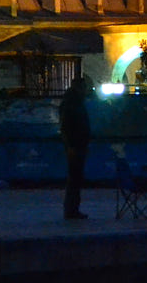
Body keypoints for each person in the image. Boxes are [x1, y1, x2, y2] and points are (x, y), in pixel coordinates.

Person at [59, 73, 92, 219]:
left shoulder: (72, 102)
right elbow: (68, 126)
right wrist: (71, 145)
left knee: (75, 178)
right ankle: (72, 210)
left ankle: (72, 209)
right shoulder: (73, 104)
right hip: (75, 145)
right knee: (75, 178)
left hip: (76, 144)